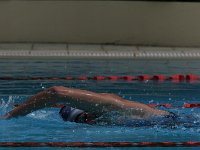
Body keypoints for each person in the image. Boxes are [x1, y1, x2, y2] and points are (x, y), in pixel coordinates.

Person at [1, 86, 172, 124]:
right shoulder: (105, 120)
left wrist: (9, 116)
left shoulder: (108, 105)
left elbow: (55, 93)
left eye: (83, 116)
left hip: (176, 122)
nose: (87, 120)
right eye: (81, 120)